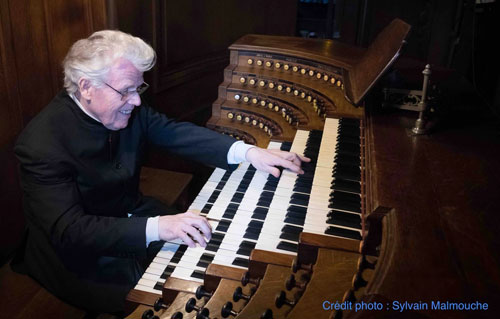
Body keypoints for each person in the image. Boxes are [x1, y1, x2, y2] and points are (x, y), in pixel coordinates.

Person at [13, 30, 309, 314]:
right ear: (86, 87)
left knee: (211, 247)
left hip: (130, 213)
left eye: (138, 88)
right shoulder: (41, 145)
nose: (137, 100)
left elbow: (174, 133)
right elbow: (71, 230)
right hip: (81, 258)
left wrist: (250, 153)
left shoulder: (125, 105)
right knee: (176, 301)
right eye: (127, 91)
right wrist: (158, 228)